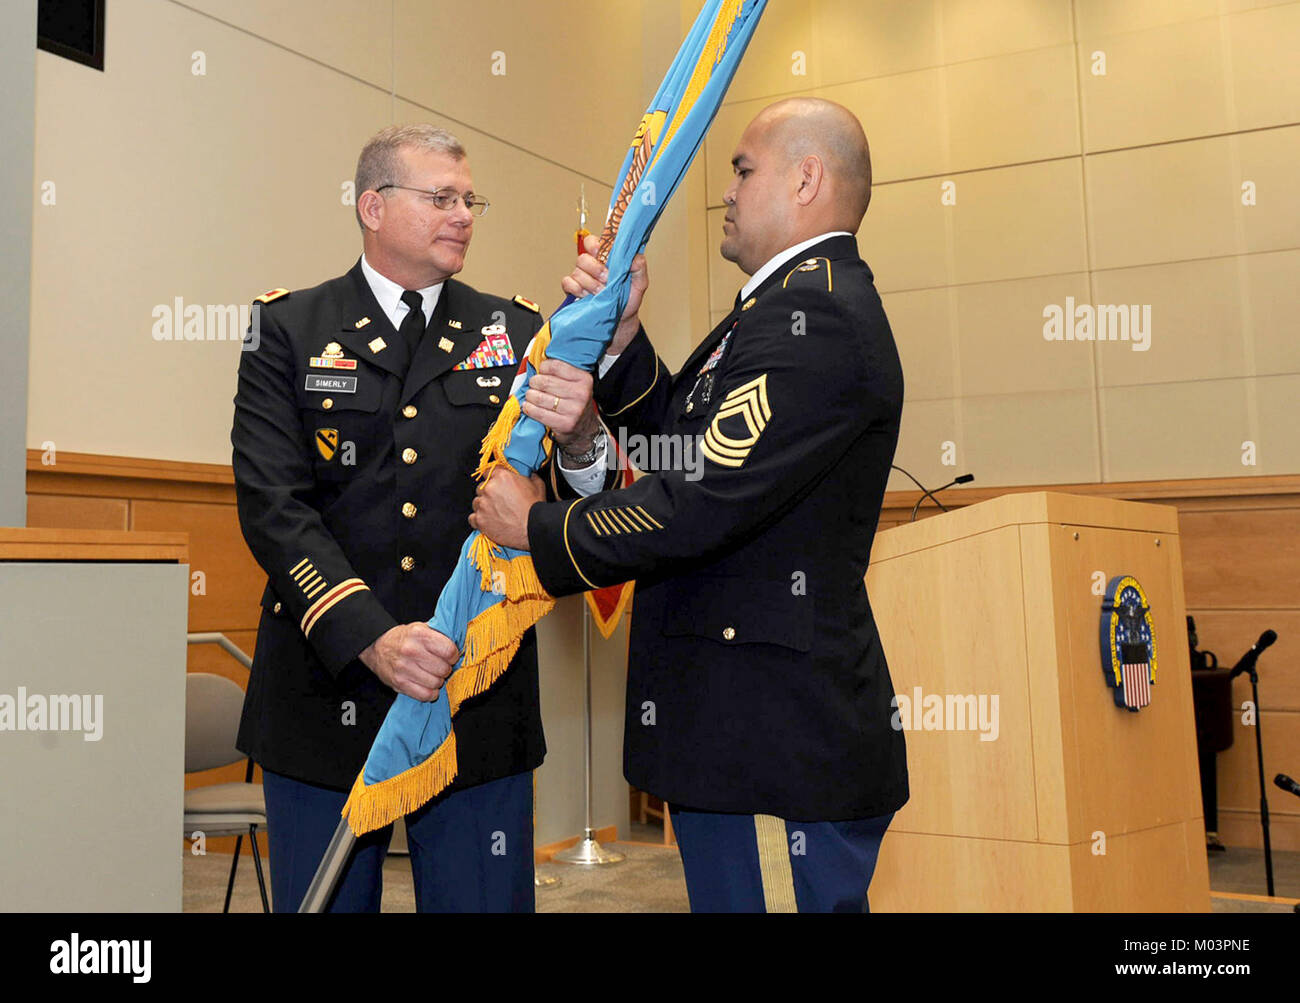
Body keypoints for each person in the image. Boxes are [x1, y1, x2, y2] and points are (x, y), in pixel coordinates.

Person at [470, 98, 909, 912]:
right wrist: (624, 343)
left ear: (807, 178)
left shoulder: (817, 317)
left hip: (773, 744)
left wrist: (537, 525)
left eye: (744, 170)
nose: (728, 190)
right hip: (740, 731)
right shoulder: (782, 308)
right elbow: (686, 447)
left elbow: (699, 503)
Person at [230, 124, 604, 912]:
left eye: (470, 198)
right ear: (373, 206)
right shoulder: (287, 330)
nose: (463, 213)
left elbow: (570, 498)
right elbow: (274, 507)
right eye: (441, 197)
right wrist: (371, 635)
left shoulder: (517, 332)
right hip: (324, 687)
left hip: (474, 688)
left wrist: (582, 437)